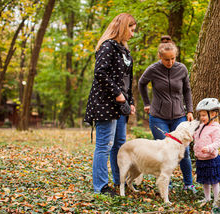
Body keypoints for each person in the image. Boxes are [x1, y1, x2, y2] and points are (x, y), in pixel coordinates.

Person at [84, 13, 137, 197]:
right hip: (105, 104)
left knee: (119, 145)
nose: (132, 33)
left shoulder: (124, 50)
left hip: (121, 106)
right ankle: (101, 187)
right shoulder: (108, 47)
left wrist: (130, 101)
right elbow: (100, 73)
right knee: (104, 145)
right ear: (122, 27)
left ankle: (119, 181)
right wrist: (117, 94)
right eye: (130, 29)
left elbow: (128, 79)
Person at [138, 41, 196, 193]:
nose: (170, 62)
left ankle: (189, 184)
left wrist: (189, 110)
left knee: (185, 152)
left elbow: (187, 91)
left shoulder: (181, 69)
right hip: (158, 117)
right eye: (166, 59)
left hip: (179, 117)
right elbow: (141, 83)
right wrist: (146, 103)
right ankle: (166, 183)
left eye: (173, 59)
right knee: (164, 151)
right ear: (160, 57)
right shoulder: (153, 69)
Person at [193, 98, 220, 204]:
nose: (201, 118)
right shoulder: (201, 126)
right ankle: (207, 198)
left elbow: (217, 142)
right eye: (201, 115)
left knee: (214, 181)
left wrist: (209, 148)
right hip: (201, 159)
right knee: (205, 181)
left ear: (213, 114)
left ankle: (217, 200)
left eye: (204, 115)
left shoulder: (215, 128)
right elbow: (196, 137)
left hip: (211, 159)